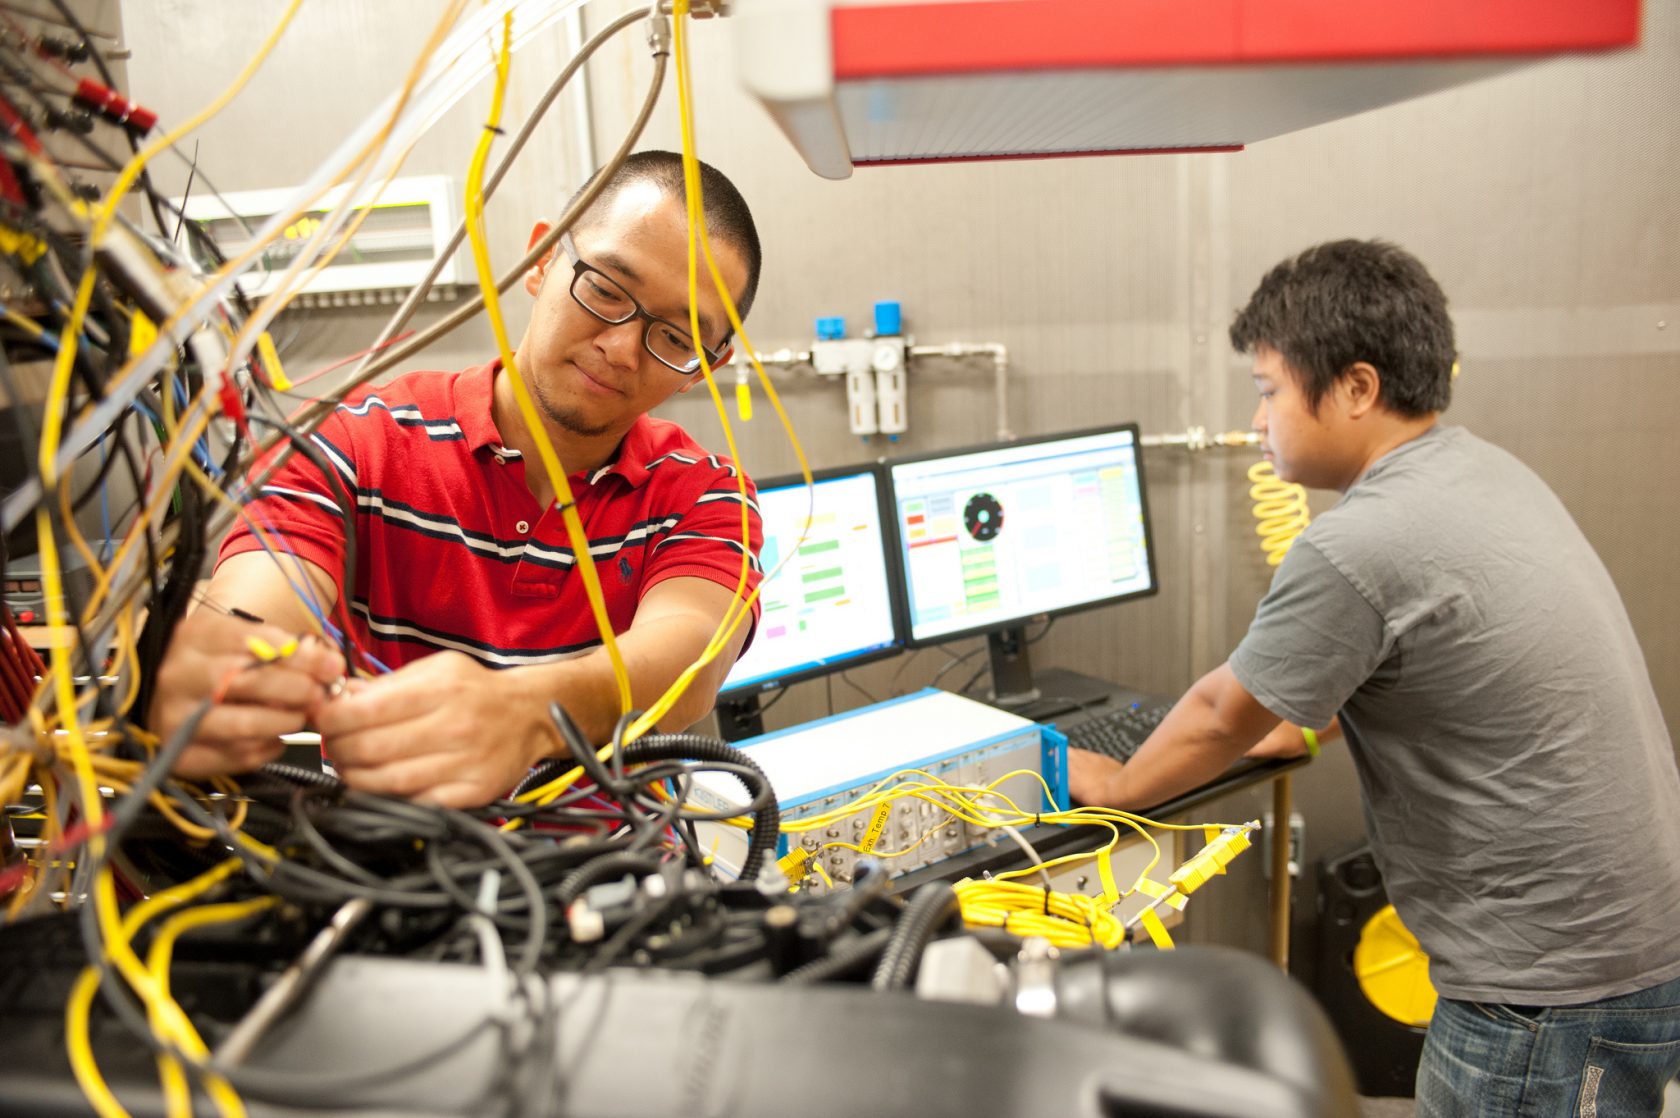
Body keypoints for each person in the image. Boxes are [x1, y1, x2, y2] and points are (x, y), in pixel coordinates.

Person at [1068, 240, 1680, 1115]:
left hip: (1551, 989)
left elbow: (1215, 716)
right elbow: (1403, 671)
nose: (1255, 422)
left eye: (1268, 390)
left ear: (1356, 388)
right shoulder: (1482, 471)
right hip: (1616, 950)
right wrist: (1295, 718)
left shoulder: (1360, 542)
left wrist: (1119, 784)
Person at [149, 151, 766, 810]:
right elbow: (255, 603)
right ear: (541, 259)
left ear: (707, 362)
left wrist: (528, 713)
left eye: (674, 335)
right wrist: (212, 659)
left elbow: (686, 660)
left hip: (627, 885)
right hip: (390, 881)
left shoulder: (704, 493)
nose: (620, 346)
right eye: (608, 291)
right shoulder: (357, 439)